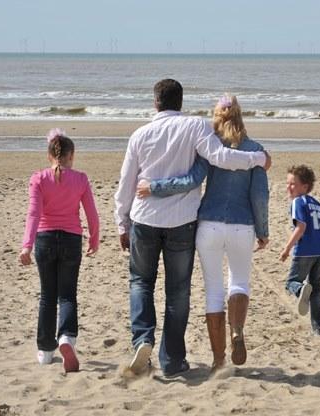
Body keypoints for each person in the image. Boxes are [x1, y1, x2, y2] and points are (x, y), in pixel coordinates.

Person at [114, 79, 271, 377]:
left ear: (155, 103)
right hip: (183, 222)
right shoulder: (196, 129)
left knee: (141, 283)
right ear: (181, 102)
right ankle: (174, 361)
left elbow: (126, 184)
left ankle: (144, 339)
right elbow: (224, 162)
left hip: (148, 219)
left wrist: (121, 222)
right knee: (178, 292)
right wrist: (258, 159)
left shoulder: (139, 135)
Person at [19, 128, 100, 373]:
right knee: (67, 295)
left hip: (44, 239)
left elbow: (33, 214)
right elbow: (92, 214)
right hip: (71, 239)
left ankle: (45, 351)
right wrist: (94, 239)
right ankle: (66, 337)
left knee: (47, 296)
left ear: (49, 156)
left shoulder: (39, 179)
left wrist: (26, 246)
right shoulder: (81, 179)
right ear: (71, 155)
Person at [279, 165, 320, 336]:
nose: (288, 187)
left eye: (293, 184)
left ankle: (301, 291)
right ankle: (319, 327)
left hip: (305, 250)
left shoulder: (297, 202)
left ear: (305, 187)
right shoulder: (317, 204)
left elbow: (301, 227)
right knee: (316, 287)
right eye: (288, 183)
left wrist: (287, 249)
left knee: (292, 283)